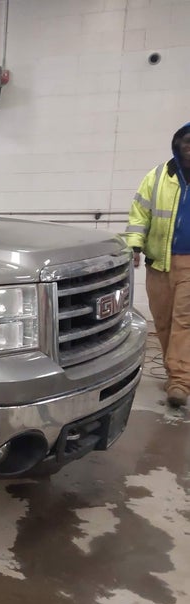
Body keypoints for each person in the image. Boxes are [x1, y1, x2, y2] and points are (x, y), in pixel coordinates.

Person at [125, 122, 190, 408]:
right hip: (158, 261)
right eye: (186, 141)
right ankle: (174, 370)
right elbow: (140, 213)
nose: (189, 146)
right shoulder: (159, 176)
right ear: (177, 144)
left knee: (183, 321)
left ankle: (180, 381)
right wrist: (135, 245)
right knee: (161, 320)